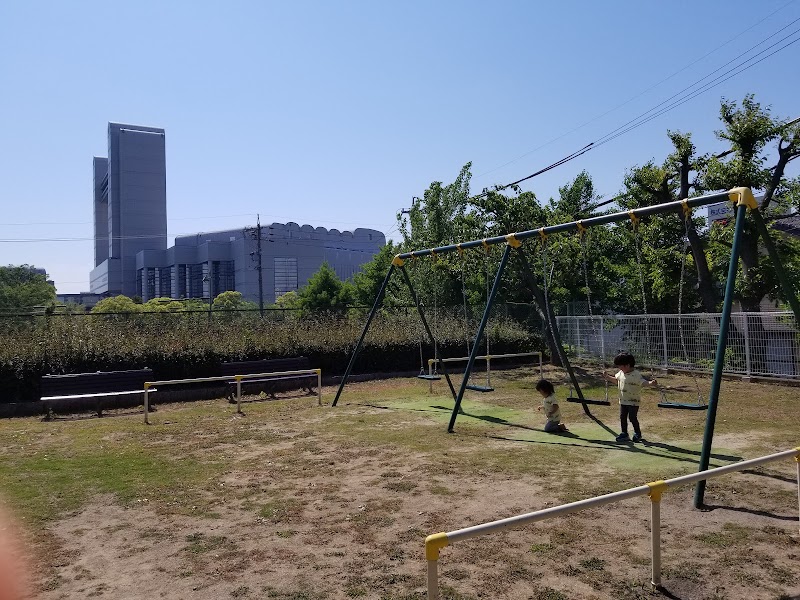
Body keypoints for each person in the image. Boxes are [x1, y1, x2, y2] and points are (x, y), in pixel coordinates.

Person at [603, 352, 656, 443]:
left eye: (621, 366)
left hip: (633, 401)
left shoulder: (636, 375)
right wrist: (607, 377)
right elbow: (617, 381)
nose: (619, 368)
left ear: (627, 365)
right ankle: (624, 433)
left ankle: (637, 433)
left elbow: (643, 383)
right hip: (623, 400)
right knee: (622, 417)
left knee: (632, 417)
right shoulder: (621, 373)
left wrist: (651, 383)